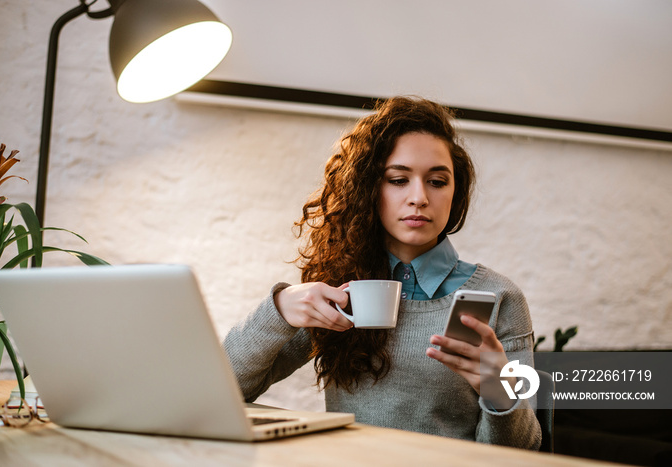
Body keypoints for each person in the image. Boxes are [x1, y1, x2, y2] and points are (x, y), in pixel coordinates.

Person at [223, 96, 541, 450]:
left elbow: (524, 452)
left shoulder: (499, 297)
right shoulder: (339, 288)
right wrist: (279, 309)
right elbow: (219, 392)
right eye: (398, 179)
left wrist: (499, 390)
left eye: (437, 182)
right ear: (369, 190)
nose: (419, 197)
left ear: (456, 192)